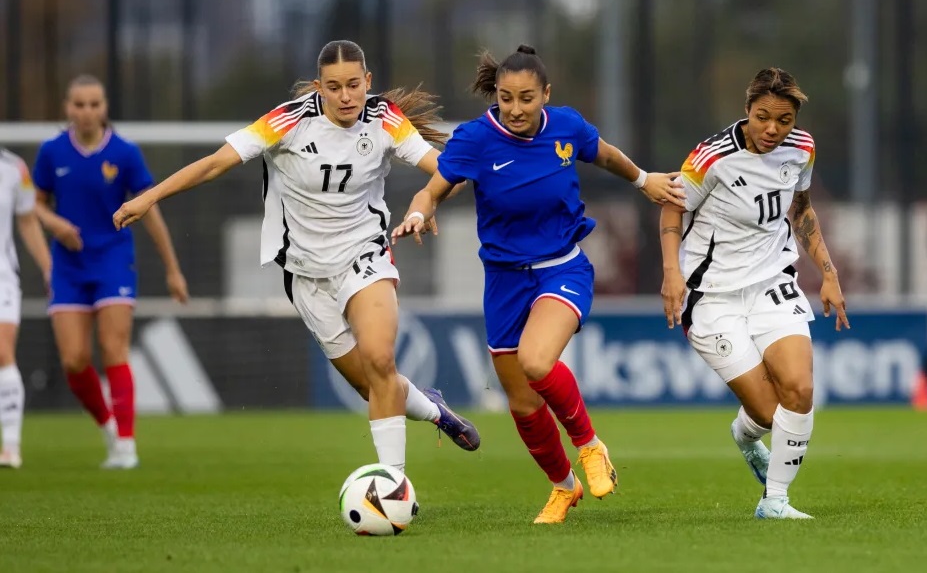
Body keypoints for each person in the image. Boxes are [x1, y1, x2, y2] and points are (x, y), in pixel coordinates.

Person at [113, 40, 481, 473]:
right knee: (373, 388)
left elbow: (446, 173)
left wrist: (426, 205)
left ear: (368, 82)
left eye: (352, 85)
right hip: (306, 274)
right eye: (333, 87)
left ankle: (393, 486)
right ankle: (435, 410)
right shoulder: (287, 121)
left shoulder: (385, 119)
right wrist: (149, 198)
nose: (345, 96)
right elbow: (216, 163)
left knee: (381, 361)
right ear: (317, 87)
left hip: (365, 255)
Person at [392, 44, 686, 523]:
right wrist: (418, 213)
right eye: (506, 98)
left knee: (535, 360)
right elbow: (434, 188)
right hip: (505, 282)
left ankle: (590, 446)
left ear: (546, 95)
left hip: (562, 268)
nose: (515, 109)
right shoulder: (475, 139)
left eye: (526, 98)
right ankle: (563, 487)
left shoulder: (567, 127)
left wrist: (642, 180)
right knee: (523, 402)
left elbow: (605, 155)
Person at [658, 68, 849, 520]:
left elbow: (800, 209)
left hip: (772, 283)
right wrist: (671, 273)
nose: (772, 129)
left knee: (799, 390)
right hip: (713, 296)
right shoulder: (711, 157)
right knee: (765, 412)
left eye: (783, 120)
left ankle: (775, 501)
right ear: (746, 110)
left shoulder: (802, 149)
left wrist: (829, 272)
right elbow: (671, 203)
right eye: (763, 117)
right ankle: (746, 435)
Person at [32, 74, 190, 470]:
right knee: (73, 359)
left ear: (105, 108)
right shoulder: (52, 152)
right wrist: (54, 224)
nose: (87, 112)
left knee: (114, 347)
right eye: (79, 105)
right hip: (68, 265)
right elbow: (32, 204)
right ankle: (106, 425)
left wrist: (173, 269)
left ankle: (126, 443)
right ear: (68, 108)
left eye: (95, 104)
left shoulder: (124, 153)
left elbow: (150, 211)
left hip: (113, 260)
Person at [0, 148, 52, 469]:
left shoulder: (14, 168)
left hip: (2, 277)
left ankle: (10, 446)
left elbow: (28, 221)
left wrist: (49, 269)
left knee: (2, 352)